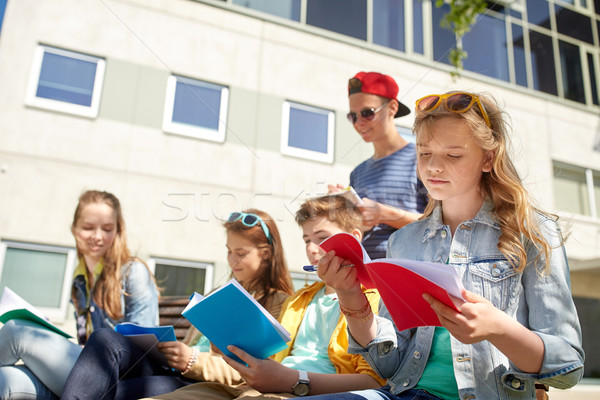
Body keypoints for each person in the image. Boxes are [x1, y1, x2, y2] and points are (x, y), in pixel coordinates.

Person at [309, 91, 585, 400]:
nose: (433, 168)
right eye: (424, 153)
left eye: (453, 155)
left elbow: (568, 366)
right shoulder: (403, 241)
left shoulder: (534, 233)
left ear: (488, 158)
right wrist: (351, 297)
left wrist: (499, 329)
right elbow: (388, 365)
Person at [141, 195, 385, 400]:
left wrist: (293, 380)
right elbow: (268, 362)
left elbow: (374, 382)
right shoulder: (299, 301)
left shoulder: (376, 299)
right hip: (259, 387)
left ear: (354, 237)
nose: (312, 248)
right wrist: (230, 347)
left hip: (300, 391)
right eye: (307, 240)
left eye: (322, 238)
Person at [60, 209, 295, 400]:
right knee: (103, 338)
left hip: (197, 380)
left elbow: (260, 372)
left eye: (241, 253)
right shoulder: (219, 293)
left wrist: (192, 360)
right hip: (174, 366)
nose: (232, 260)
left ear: (266, 253)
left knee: (112, 390)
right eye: (229, 251)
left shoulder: (280, 303)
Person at [0, 190, 159, 400]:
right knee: (5, 379)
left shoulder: (133, 272)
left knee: (16, 331)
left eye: (108, 229)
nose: (97, 237)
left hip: (117, 375)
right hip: (84, 367)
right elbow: (83, 338)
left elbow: (144, 350)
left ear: (118, 230)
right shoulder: (80, 280)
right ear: (74, 229)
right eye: (88, 228)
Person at [329, 71, 428, 259]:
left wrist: (383, 213)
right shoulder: (358, 173)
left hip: (410, 275)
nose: (359, 123)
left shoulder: (422, 158)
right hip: (367, 278)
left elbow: (443, 224)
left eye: (367, 113)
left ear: (392, 108)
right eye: (353, 116)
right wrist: (342, 208)